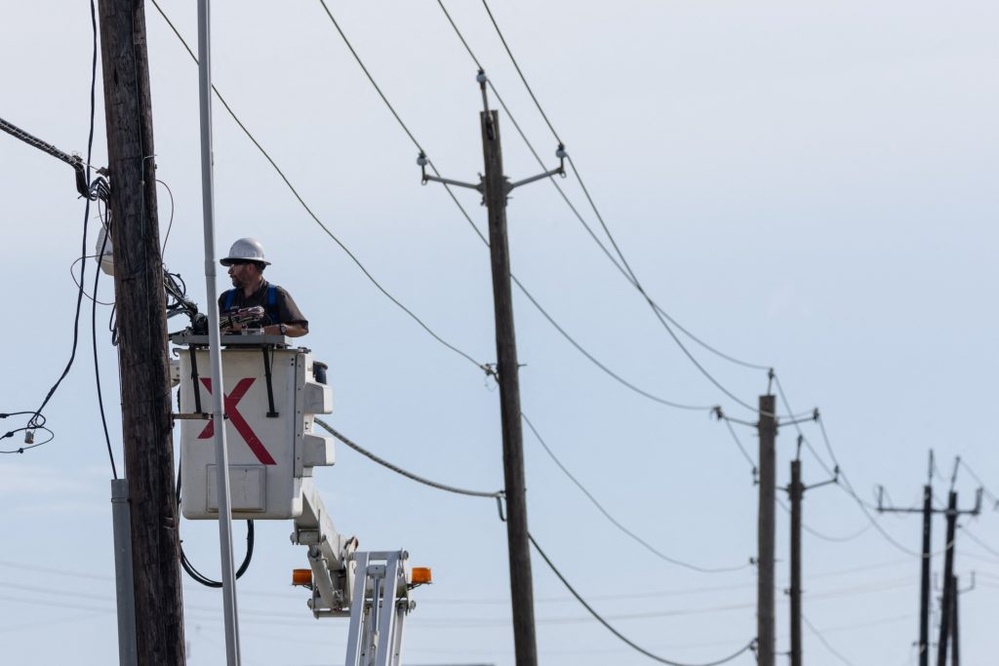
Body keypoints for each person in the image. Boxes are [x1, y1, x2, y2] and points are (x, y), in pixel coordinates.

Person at [217, 237, 309, 337]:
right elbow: (214, 330)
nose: (230, 271)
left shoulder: (277, 295)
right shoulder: (226, 298)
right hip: (234, 353)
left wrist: (280, 329)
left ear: (250, 267)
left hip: (268, 352)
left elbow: (302, 328)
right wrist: (227, 325)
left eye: (234, 265)